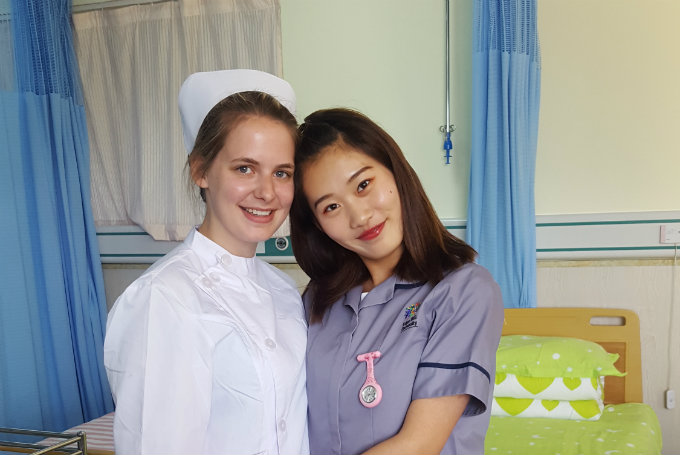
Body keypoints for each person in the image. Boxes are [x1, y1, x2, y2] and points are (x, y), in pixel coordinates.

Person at [104, 69, 309, 455]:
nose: (266, 192)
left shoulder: (284, 291)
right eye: (244, 168)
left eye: (281, 173)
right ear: (201, 170)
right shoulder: (163, 299)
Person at [289, 108, 504, 455]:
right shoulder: (318, 302)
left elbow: (418, 445)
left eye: (363, 185)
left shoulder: (464, 292)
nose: (359, 216)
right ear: (316, 225)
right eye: (331, 207)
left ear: (395, 170)